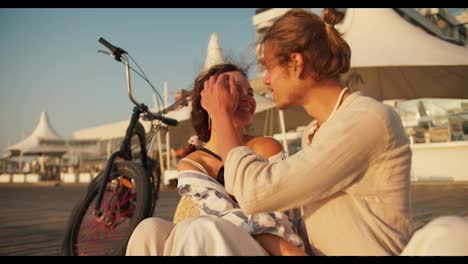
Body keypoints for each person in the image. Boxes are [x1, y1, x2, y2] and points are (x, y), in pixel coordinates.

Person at [200, 8, 413, 256]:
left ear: (296, 63)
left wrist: (221, 115)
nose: (266, 80)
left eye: (268, 68)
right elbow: (316, 223)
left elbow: (255, 193)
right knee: (159, 229)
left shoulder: (366, 119)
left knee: (203, 232)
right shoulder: (317, 130)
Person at [125, 63, 306, 256]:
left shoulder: (265, 146)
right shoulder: (193, 163)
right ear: (208, 100)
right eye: (234, 89)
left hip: (270, 247)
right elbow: (222, 212)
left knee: (199, 228)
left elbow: (278, 210)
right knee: (149, 228)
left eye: (250, 92)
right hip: (215, 240)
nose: (247, 97)